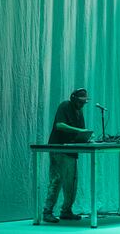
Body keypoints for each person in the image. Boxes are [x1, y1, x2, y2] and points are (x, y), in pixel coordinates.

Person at [42, 88, 92, 223]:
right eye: (81, 101)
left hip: (71, 150)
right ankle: (47, 211)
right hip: (58, 148)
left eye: (84, 102)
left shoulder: (79, 112)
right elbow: (60, 125)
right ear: (74, 99)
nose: (83, 104)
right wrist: (80, 130)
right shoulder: (65, 106)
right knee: (56, 180)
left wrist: (85, 137)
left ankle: (66, 211)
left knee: (72, 182)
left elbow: (81, 132)